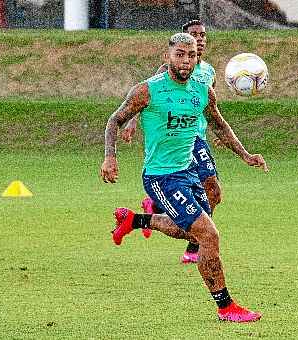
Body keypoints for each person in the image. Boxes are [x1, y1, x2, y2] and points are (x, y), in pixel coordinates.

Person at [100, 32, 268, 322]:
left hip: (188, 172)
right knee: (209, 235)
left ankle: (135, 220)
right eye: (180, 54)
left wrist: (245, 155)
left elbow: (219, 125)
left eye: (191, 55)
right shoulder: (148, 91)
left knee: (187, 232)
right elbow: (115, 119)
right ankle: (226, 307)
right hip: (161, 177)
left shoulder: (202, 90)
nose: (186, 60)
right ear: (167, 57)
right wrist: (110, 156)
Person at [121, 20, 221, 264]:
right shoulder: (165, 73)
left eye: (202, 35)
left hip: (198, 139)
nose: (199, 38)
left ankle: (153, 211)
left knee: (214, 194)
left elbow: (211, 110)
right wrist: (133, 122)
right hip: (181, 144)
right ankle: (195, 243)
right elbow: (144, 101)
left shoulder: (208, 72)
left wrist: (221, 135)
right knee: (209, 192)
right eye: (193, 35)